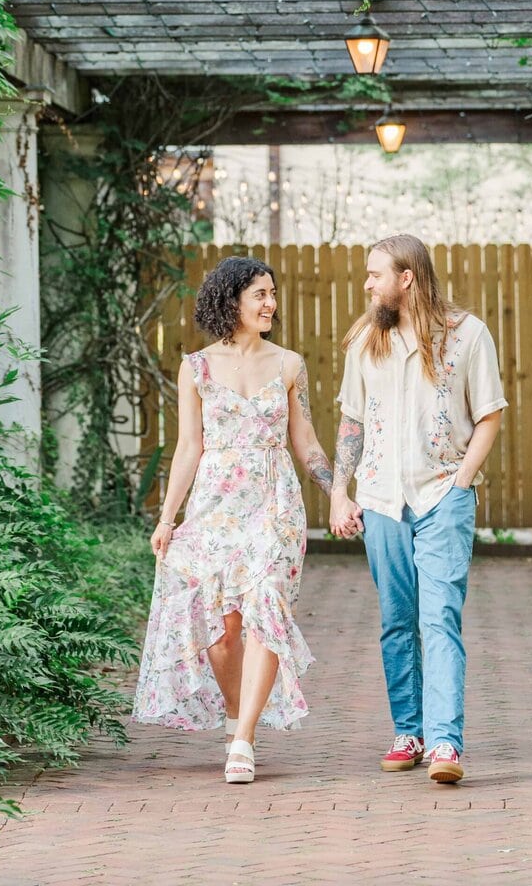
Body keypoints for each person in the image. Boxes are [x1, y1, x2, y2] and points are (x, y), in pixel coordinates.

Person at [132, 255, 335, 785]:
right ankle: (234, 712)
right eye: (259, 295)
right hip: (214, 508)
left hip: (274, 506)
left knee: (266, 605)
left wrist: (338, 495)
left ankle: (243, 738)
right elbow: (188, 447)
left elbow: (306, 441)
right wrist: (168, 517)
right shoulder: (195, 367)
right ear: (232, 301)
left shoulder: (289, 364)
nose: (270, 303)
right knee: (222, 634)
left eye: (272, 293)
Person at [329, 234, 507, 784]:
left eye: (375, 274)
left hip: (441, 498)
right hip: (381, 499)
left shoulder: (467, 335)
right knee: (397, 622)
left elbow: (490, 414)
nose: (366, 284)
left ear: (406, 278)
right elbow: (352, 422)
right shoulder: (366, 341)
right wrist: (339, 491)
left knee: (439, 618)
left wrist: (462, 482)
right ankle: (409, 731)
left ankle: (446, 743)